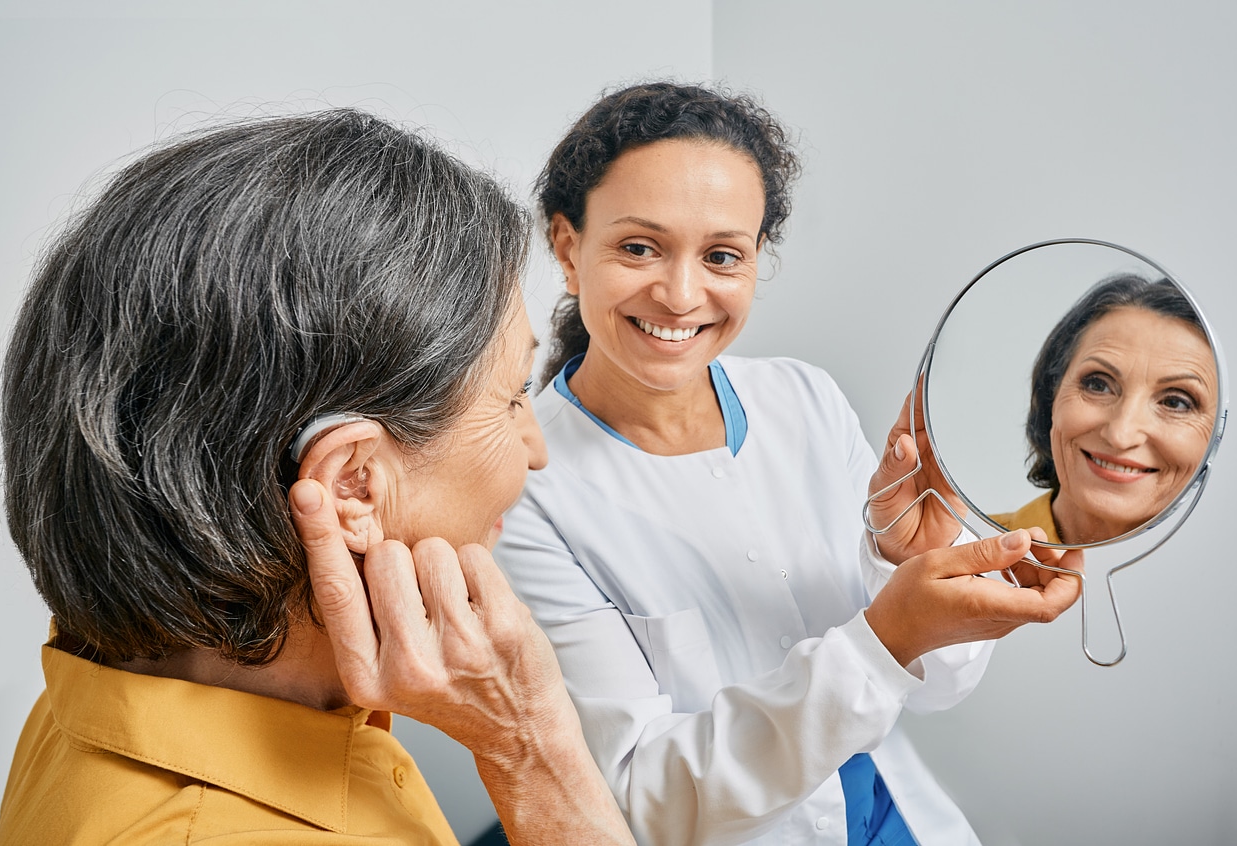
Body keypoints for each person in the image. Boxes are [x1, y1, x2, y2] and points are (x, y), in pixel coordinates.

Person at [0, 109, 634, 846]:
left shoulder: (116, 667)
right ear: (353, 484)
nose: (536, 448)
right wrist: (533, 751)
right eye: (514, 394)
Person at [495, 81, 1082, 846]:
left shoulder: (803, 398)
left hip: (895, 820)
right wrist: (887, 635)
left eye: (721, 256)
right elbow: (644, 797)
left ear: (756, 259)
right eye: (639, 247)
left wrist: (902, 564)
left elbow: (931, 687)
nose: (680, 294)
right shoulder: (527, 484)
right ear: (568, 249)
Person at [992, 274, 1218, 544]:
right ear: (1052, 395)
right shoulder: (946, 551)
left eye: (1175, 402)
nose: (1120, 435)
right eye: (1097, 385)